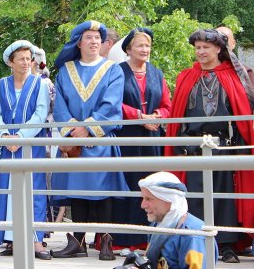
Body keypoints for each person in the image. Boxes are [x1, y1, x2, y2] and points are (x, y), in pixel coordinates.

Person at [165, 29, 254, 264]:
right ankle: (195, 243)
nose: (201, 52)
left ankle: (226, 245)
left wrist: (242, 145)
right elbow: (178, 114)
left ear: (218, 49)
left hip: (223, 146)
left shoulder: (233, 76)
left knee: (223, 196)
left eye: (206, 47)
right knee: (193, 196)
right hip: (193, 146)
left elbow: (243, 113)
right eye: (198, 48)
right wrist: (180, 143)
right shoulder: (186, 76)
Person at [50, 20, 128, 261]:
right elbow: (60, 107)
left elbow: (112, 104)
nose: (94, 41)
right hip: (74, 144)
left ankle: (105, 241)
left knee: (103, 192)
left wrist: (90, 130)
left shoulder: (113, 70)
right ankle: (78, 241)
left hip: (100, 142)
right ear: (79, 42)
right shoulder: (66, 70)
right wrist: (75, 132)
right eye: (89, 37)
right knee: (77, 192)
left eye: (98, 37)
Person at [0, 40, 51, 260]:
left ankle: (36, 241)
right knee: (8, 189)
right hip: (6, 146)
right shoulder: (0, 85)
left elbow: (40, 114)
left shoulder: (40, 84)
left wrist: (21, 137)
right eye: (21, 58)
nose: (26, 62)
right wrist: (4, 136)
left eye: (28, 58)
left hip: (31, 145)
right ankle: (11, 238)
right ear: (11, 62)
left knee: (34, 190)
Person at [112, 28, 172, 250]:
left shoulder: (157, 73)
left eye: (147, 45)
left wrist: (157, 116)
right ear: (129, 49)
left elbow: (168, 105)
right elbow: (113, 102)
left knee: (152, 187)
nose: (144, 49)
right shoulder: (117, 72)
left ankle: (151, 239)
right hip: (127, 137)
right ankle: (125, 240)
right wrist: (138, 116)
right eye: (140, 45)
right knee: (129, 186)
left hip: (152, 138)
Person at [139, 171, 217, 269]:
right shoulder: (157, 225)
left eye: (149, 199)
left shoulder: (192, 236)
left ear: (169, 200)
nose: (143, 205)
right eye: (143, 198)